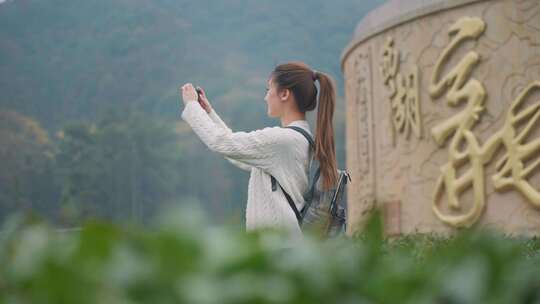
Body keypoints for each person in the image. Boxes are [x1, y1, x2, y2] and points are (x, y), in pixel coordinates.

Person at [179, 61, 338, 242]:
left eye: (268, 89)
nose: (266, 97)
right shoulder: (297, 139)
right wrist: (209, 113)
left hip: (278, 248)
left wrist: (191, 105)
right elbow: (236, 152)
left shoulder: (281, 140)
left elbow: (220, 142)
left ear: (284, 94)